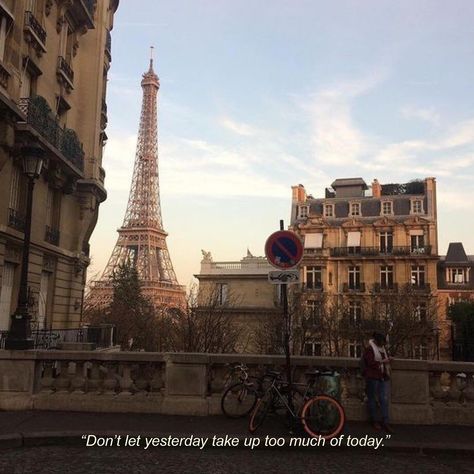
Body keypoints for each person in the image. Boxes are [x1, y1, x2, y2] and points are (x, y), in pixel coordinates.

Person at [362, 332, 394, 434]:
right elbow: (370, 363)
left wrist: (387, 360)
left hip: (382, 376)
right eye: (382, 342)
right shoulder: (370, 349)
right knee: (372, 398)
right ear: (377, 341)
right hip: (372, 376)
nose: (383, 344)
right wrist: (384, 361)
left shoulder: (383, 349)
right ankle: (374, 420)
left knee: (383, 399)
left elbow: (382, 360)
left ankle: (385, 421)